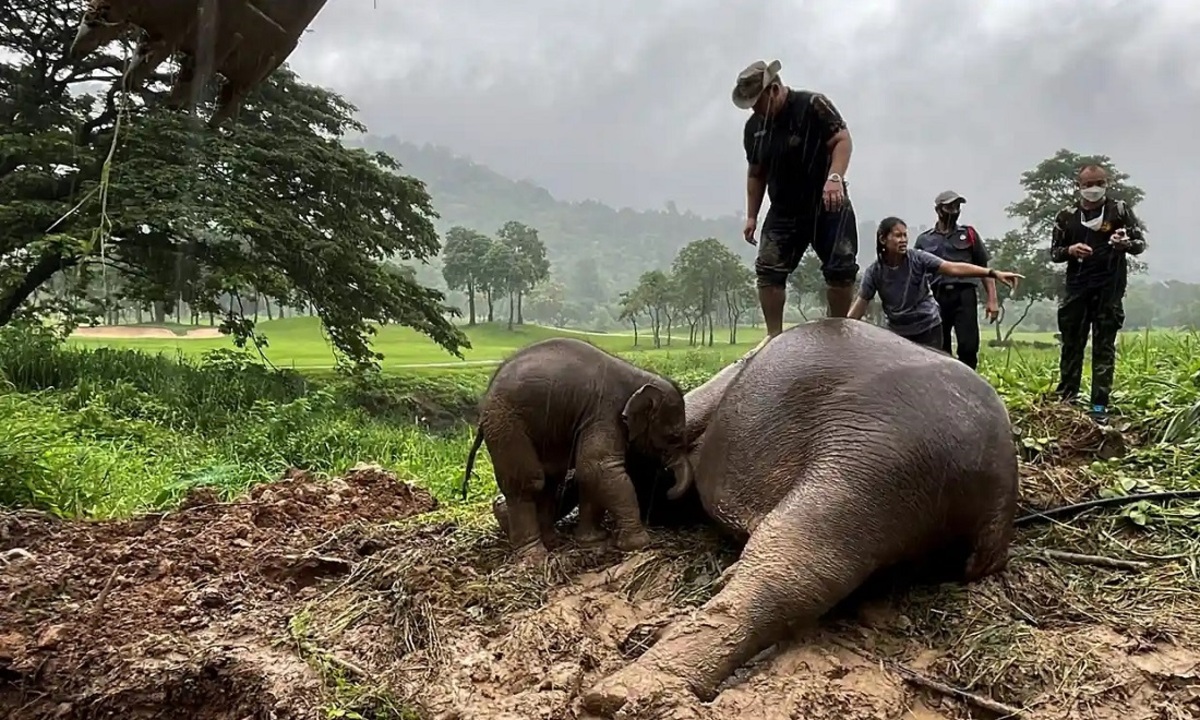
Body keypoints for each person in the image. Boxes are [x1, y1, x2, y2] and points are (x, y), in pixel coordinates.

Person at [733, 59, 859, 337]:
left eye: (758, 101)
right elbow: (756, 174)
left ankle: (838, 330)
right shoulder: (754, 128)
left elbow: (842, 140)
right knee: (768, 270)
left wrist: (835, 177)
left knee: (841, 269)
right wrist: (752, 215)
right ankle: (773, 337)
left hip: (827, 200)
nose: (755, 109)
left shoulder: (813, 104)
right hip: (785, 207)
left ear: (774, 90)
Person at [1050, 164, 1147, 421]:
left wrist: (1124, 243)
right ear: (1078, 186)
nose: (1093, 189)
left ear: (1107, 183)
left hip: (1109, 289)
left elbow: (1140, 244)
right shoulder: (1067, 216)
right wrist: (1071, 250)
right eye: (1088, 184)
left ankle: (1099, 406)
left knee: (1104, 347)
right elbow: (1055, 252)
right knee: (1072, 345)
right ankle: (1067, 400)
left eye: (1099, 183)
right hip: (1077, 289)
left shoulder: (1119, 211)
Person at [849, 217, 1021, 349]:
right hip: (898, 332)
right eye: (897, 235)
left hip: (928, 327)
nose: (903, 240)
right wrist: (843, 329)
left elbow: (953, 268)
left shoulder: (917, 258)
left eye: (905, 235)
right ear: (883, 239)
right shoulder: (875, 271)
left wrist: (993, 273)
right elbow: (860, 304)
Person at [913, 190, 998, 369]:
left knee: (968, 346)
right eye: (950, 206)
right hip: (936, 297)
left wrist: (992, 300)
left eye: (957, 206)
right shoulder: (924, 240)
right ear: (938, 210)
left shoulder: (969, 234)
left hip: (964, 295)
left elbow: (984, 268)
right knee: (938, 347)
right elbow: (915, 273)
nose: (954, 210)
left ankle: (969, 383)